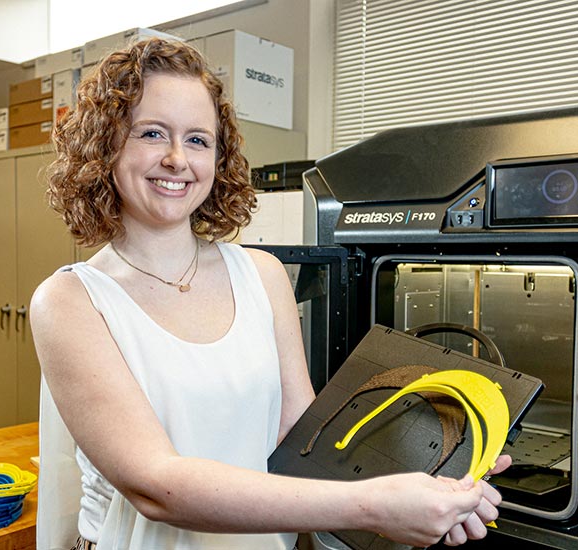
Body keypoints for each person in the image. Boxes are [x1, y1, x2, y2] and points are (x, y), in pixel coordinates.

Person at [30, 37, 510, 550]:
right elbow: (156, 486)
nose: (176, 159)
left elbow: (303, 445)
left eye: (198, 140)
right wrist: (374, 505)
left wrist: (433, 476)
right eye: (152, 133)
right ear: (106, 145)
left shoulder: (262, 275)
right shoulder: (72, 301)